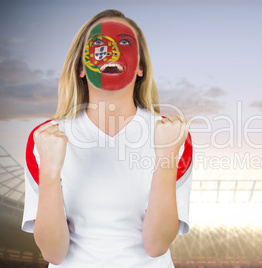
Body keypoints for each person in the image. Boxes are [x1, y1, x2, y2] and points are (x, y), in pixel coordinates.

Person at [22, 9, 193, 268]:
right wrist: (50, 174)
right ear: (81, 67)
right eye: (99, 44)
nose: (111, 51)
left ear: (140, 67)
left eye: (124, 42)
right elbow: (53, 253)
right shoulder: (45, 138)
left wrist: (166, 156)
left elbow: (156, 244)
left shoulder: (173, 135)